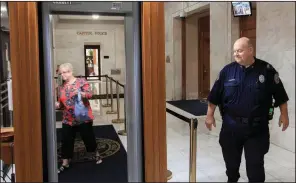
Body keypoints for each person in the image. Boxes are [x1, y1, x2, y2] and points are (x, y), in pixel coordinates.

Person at [205, 37, 289, 182]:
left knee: (255, 169)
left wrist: (284, 115)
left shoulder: (266, 70)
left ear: (250, 50)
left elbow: (280, 95)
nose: (236, 54)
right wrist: (209, 115)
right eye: (234, 51)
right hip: (231, 127)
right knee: (231, 167)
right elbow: (214, 96)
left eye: (240, 50)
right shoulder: (227, 71)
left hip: (256, 129)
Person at [55, 63, 102, 173]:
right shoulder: (61, 87)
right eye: (61, 73)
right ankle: (65, 162)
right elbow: (62, 103)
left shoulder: (81, 81)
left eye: (64, 72)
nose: (62, 75)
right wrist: (58, 105)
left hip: (82, 117)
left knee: (88, 138)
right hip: (68, 118)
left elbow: (90, 94)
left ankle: (96, 154)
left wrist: (80, 93)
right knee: (66, 140)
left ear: (71, 71)